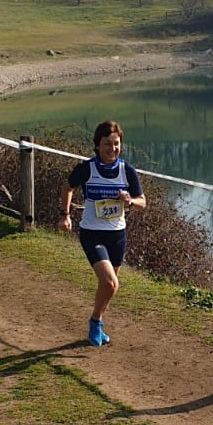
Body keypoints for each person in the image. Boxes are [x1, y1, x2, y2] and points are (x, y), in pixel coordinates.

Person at [58, 119, 146, 346]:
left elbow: (142, 202)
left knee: (109, 285)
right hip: (92, 234)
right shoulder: (88, 168)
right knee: (110, 284)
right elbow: (68, 187)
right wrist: (65, 214)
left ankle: (97, 320)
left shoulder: (127, 171)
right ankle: (95, 322)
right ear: (97, 145)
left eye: (116, 144)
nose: (112, 149)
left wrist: (130, 200)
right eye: (107, 144)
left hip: (117, 235)